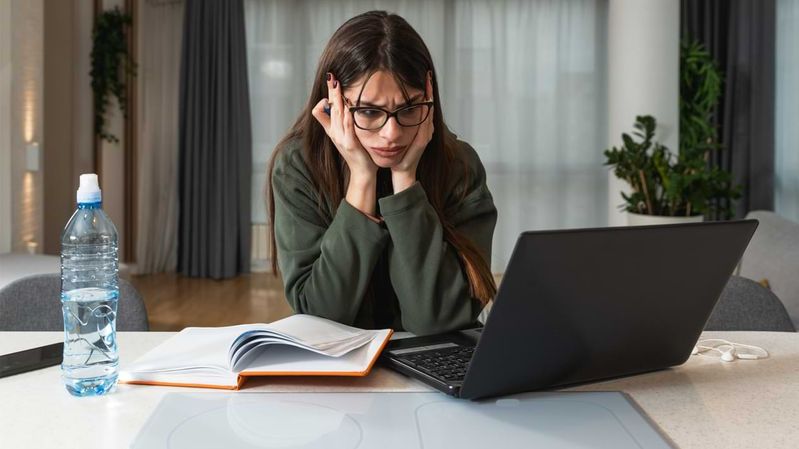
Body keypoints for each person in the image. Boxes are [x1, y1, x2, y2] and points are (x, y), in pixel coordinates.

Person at [267, 10, 497, 335]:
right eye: (370, 111)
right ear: (334, 102)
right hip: (341, 373)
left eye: (410, 108)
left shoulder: (460, 165)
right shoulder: (298, 166)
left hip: (441, 371)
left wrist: (406, 182)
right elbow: (321, 318)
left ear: (430, 98)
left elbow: (438, 320)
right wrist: (362, 179)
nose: (391, 134)